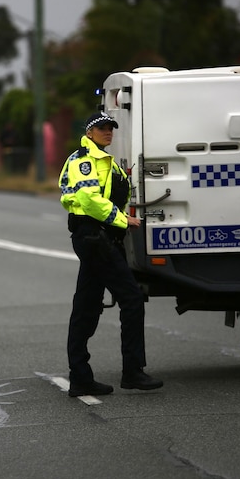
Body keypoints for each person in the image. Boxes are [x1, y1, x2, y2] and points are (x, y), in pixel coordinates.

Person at [58, 111, 163, 397]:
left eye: (111, 128)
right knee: (130, 298)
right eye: (102, 128)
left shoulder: (107, 162)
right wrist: (122, 219)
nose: (108, 132)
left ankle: (80, 377)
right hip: (94, 237)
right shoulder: (84, 161)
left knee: (86, 307)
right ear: (89, 132)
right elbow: (89, 200)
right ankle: (132, 372)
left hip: (100, 239)